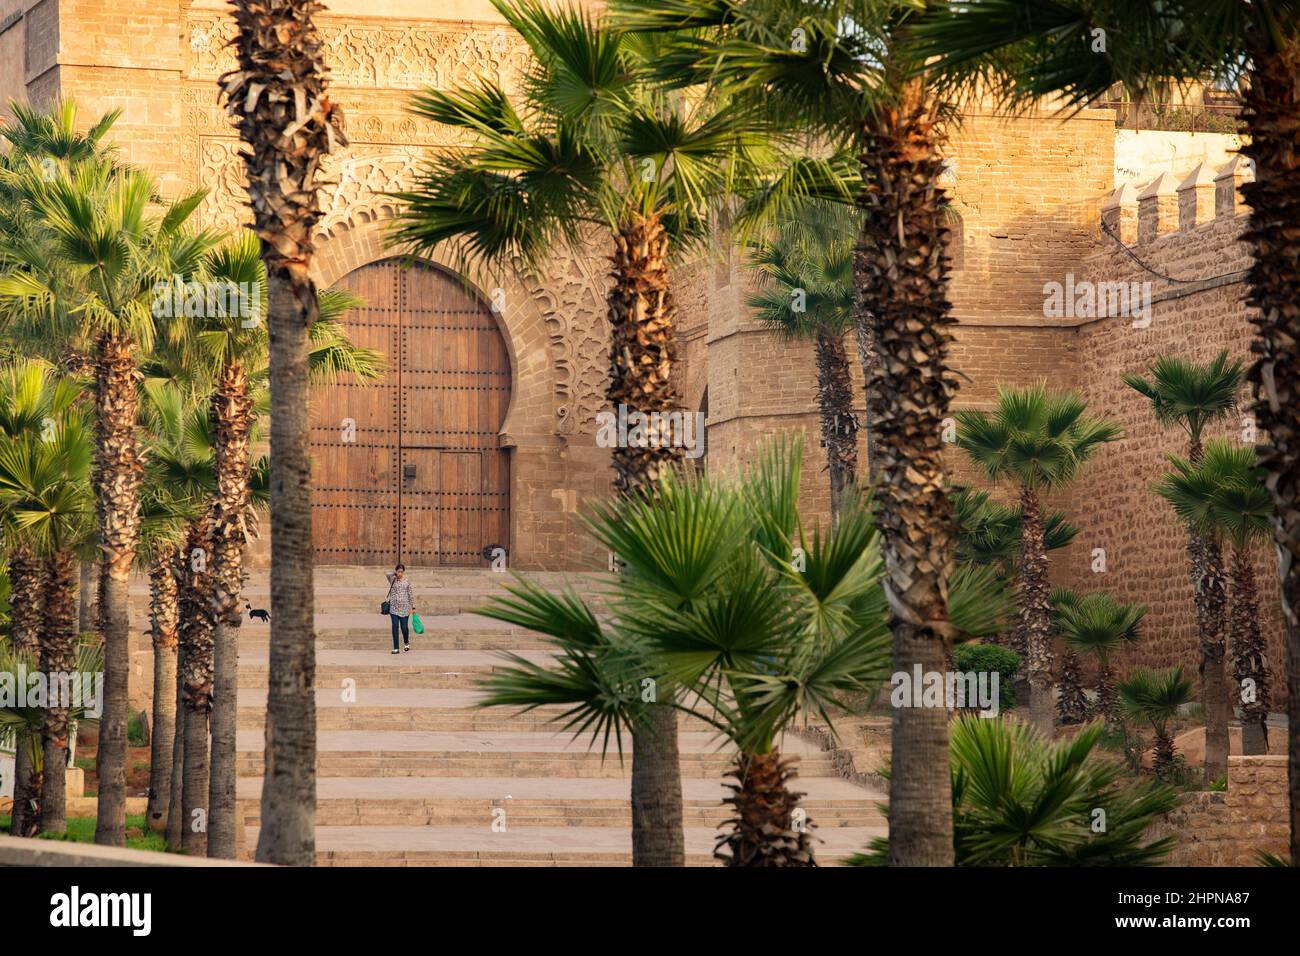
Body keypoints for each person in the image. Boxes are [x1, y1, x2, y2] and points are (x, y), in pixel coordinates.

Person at [384, 563, 417, 654]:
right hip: (394, 608)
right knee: (395, 627)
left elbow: (410, 594)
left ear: (404, 572)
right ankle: (396, 648)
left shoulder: (407, 581)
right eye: (398, 572)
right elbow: (387, 573)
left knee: (404, 627)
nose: (400, 574)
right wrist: (394, 574)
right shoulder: (392, 579)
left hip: (404, 608)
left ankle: (406, 643)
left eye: (401, 572)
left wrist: (413, 607)